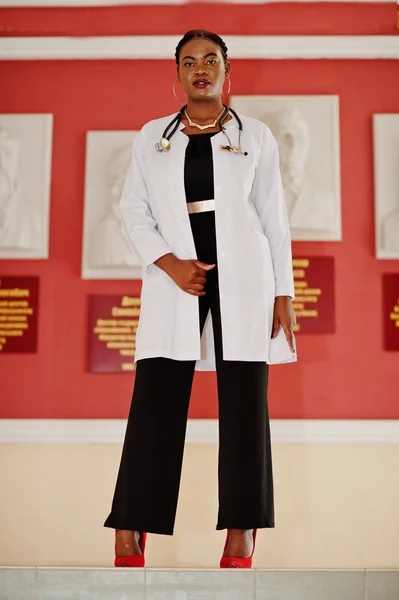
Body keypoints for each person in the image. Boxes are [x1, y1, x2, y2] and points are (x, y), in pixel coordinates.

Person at [104, 29, 296, 569]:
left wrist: (283, 290)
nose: (200, 69)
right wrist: (171, 265)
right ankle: (131, 525)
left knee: (244, 404)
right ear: (177, 77)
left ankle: (242, 528)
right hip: (174, 279)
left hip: (246, 280)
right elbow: (134, 211)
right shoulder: (151, 138)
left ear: (227, 70)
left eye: (210, 60)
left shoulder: (255, 135)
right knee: (155, 400)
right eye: (189, 63)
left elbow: (274, 220)